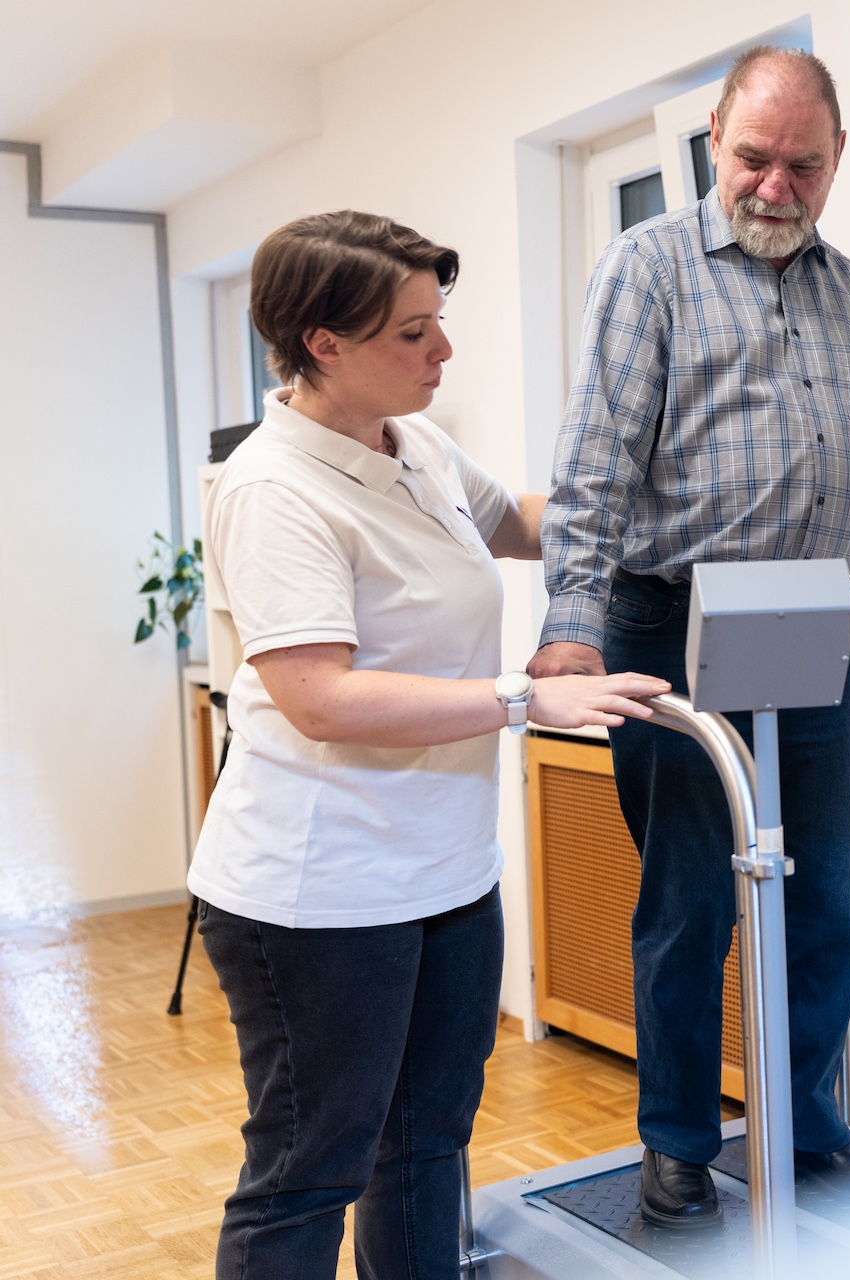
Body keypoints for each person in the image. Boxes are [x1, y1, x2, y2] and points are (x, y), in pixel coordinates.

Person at [530, 46, 850, 1228]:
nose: (775, 186)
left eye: (802, 166)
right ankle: (675, 1146)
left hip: (812, 615)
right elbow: (594, 465)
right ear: (716, 139)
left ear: (837, 159)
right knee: (691, 903)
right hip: (668, 616)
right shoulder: (648, 270)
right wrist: (570, 632)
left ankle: (806, 1126)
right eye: (754, 157)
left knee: (825, 901)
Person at [190, 210, 670, 1278]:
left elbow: (530, 524)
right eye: (413, 333)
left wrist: (673, 512)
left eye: (437, 320)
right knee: (309, 1169)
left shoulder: (417, 444)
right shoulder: (273, 490)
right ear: (322, 342)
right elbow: (320, 699)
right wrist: (521, 698)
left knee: (425, 1144)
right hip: (319, 892)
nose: (442, 350)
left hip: (446, 872)